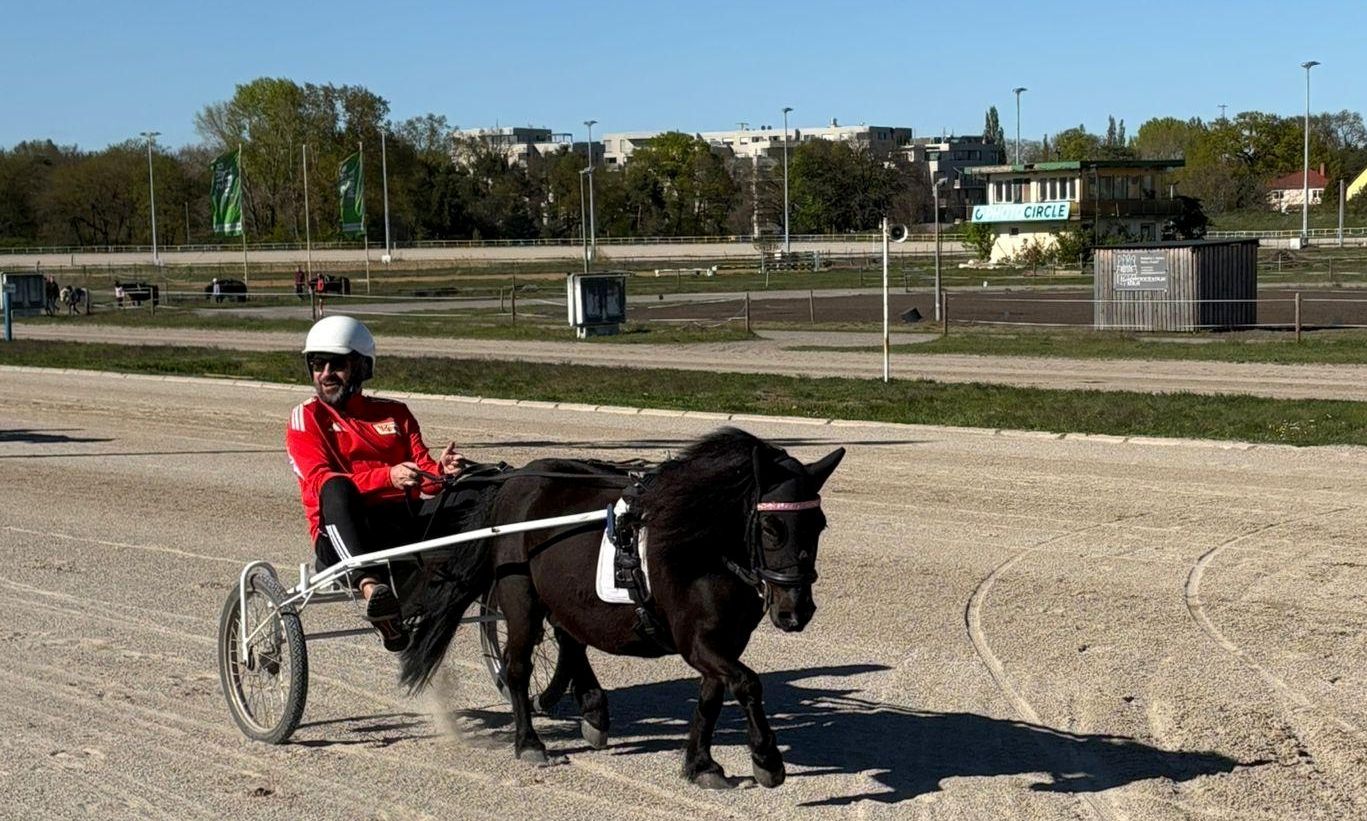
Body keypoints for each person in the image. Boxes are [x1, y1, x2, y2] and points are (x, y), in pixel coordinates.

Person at [285, 316, 464, 651]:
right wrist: (388, 476)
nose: (325, 373)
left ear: (361, 368)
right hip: (342, 534)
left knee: (473, 489)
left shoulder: (396, 413)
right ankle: (373, 592)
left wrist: (442, 473)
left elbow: (425, 477)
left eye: (337, 364)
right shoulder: (306, 417)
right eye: (318, 364)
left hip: (399, 526)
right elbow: (319, 480)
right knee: (335, 487)